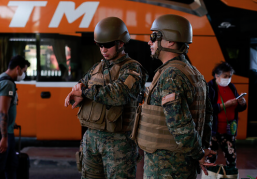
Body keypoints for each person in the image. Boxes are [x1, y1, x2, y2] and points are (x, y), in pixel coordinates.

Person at [131, 14, 215, 178]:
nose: (149, 42)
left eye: (154, 37)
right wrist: (200, 150)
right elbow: (207, 117)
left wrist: (199, 153)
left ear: (170, 41)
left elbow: (180, 125)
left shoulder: (172, 75)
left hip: (166, 167)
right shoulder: (193, 72)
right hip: (180, 164)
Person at [64, 17, 148, 179]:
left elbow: (119, 94)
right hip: (91, 139)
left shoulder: (132, 68)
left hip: (118, 143)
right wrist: (79, 89)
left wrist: (85, 92)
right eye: (100, 45)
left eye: (108, 45)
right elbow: (83, 83)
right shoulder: (98, 67)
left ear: (121, 43)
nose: (103, 49)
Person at [207, 62, 247, 167]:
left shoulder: (231, 87)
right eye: (225, 76)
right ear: (216, 75)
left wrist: (242, 103)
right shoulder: (209, 87)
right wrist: (224, 105)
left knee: (231, 158)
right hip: (213, 131)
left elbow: (238, 107)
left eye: (230, 76)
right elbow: (207, 109)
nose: (228, 79)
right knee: (210, 159)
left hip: (229, 130)